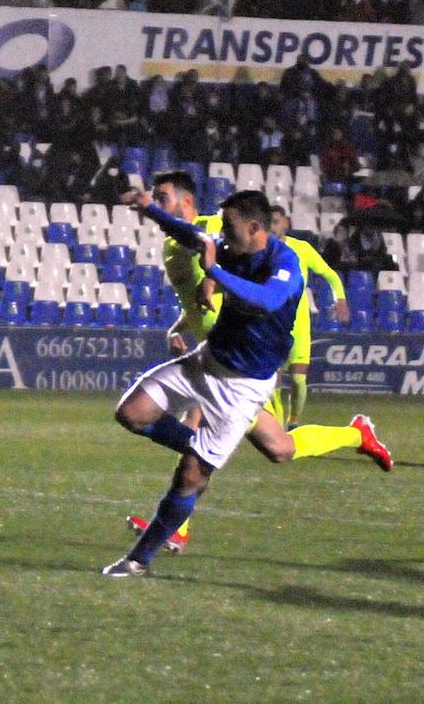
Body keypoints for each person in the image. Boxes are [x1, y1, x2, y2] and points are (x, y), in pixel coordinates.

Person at [109, 186, 390, 573]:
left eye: (229, 226)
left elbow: (265, 301)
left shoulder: (286, 263)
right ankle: (206, 449)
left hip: (243, 386)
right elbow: (192, 235)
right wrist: (149, 209)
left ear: (255, 227)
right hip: (207, 362)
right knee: (132, 412)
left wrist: (214, 272)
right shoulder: (230, 248)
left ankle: (139, 560)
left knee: (204, 472)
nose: (222, 234)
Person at [269, 205, 349, 428]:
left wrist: (340, 298)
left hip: (298, 324)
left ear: (286, 222)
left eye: (276, 221)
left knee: (297, 379)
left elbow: (329, 274)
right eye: (268, 222)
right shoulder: (261, 251)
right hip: (271, 325)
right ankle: (277, 426)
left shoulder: (301, 249)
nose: (272, 227)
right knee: (272, 381)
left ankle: (293, 421)